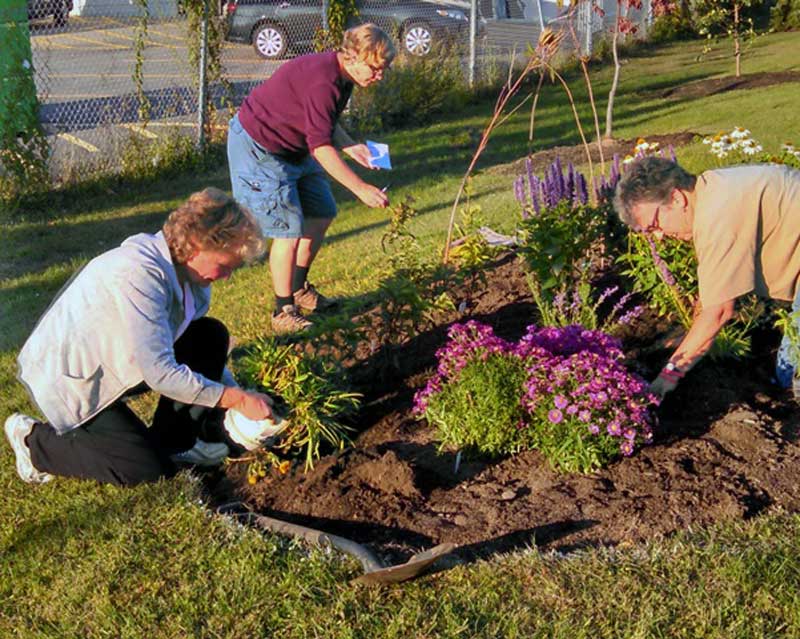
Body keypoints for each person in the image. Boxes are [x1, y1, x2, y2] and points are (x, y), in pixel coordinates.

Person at [4, 187, 276, 486]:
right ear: (197, 244)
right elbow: (160, 372)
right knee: (146, 471)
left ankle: (177, 443)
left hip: (120, 361)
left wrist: (238, 391)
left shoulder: (194, 280)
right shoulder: (138, 273)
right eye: (225, 266)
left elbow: (184, 351)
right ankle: (34, 444)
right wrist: (235, 400)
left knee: (209, 336)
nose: (227, 276)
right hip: (74, 380)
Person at [228, 23, 394, 334]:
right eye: (375, 68)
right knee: (288, 231)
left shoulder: (344, 78)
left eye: (384, 68)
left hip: (293, 146)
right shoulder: (324, 82)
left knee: (321, 213)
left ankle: (299, 288)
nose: (380, 75)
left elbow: (324, 123)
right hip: (260, 147)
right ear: (354, 57)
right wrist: (360, 189)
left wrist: (351, 146)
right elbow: (320, 148)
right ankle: (283, 310)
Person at [614, 156, 800, 399]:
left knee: (793, 378)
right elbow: (713, 293)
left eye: (655, 224)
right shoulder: (711, 191)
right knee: (787, 375)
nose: (659, 237)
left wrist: (666, 379)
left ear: (677, 198)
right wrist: (686, 339)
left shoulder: (718, 216)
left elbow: (719, 311)